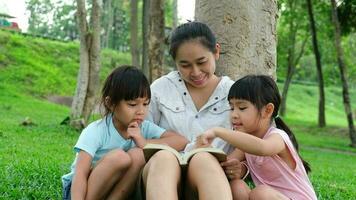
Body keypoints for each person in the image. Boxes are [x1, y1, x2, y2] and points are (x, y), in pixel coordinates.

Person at [142, 21, 248, 200]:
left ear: (216, 51)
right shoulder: (160, 89)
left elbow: (253, 140)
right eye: (185, 65)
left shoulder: (236, 94)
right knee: (164, 158)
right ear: (175, 63)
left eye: (201, 62)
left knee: (203, 158)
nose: (196, 72)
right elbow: (139, 133)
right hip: (159, 177)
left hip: (209, 180)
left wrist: (241, 167)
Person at [61, 66, 187, 200]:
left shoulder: (143, 128)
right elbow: (80, 174)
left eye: (145, 104)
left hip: (111, 190)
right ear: (110, 103)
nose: (141, 111)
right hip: (79, 190)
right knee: (119, 157)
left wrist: (144, 142)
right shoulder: (96, 130)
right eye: (132, 105)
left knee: (139, 154)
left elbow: (181, 141)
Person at [197, 75, 317, 200]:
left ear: (267, 110)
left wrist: (218, 132)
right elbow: (224, 164)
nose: (234, 115)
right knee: (236, 186)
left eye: (242, 108)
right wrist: (238, 169)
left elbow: (261, 147)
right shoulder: (245, 145)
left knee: (260, 193)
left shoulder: (277, 137)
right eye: (232, 108)